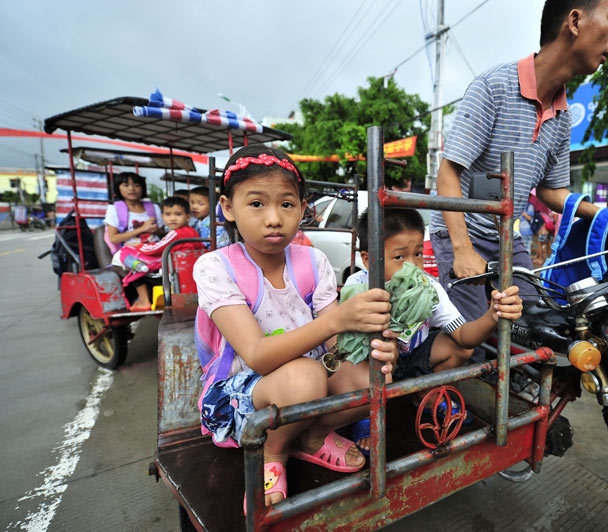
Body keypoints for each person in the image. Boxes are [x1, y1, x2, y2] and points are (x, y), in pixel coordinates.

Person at [429, 0, 608, 360]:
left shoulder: (564, 115)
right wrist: (461, 250)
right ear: (575, 21)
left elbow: (552, 191)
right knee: (471, 344)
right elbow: (448, 172)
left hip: (508, 236)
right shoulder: (494, 87)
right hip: (460, 232)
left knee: (540, 331)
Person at [192, 145, 399, 508]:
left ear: (303, 209)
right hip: (243, 393)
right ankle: (272, 453)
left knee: (374, 372)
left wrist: (372, 342)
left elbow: (336, 342)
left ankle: (313, 437)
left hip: (308, 383)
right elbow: (256, 356)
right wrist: (336, 319)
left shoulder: (313, 260)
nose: (273, 218)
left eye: (287, 204)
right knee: (306, 377)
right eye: (257, 204)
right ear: (227, 208)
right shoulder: (214, 267)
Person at [345, 208, 523, 452]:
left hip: (415, 360)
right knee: (368, 359)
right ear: (368, 260)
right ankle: (364, 416)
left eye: (418, 254)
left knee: (458, 348)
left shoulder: (429, 287)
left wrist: (492, 315)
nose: (413, 267)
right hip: (376, 364)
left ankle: (427, 397)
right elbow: (345, 344)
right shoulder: (357, 287)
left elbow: (464, 335)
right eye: (399, 257)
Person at [113, 196, 204, 311]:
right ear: (162, 217)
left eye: (178, 214)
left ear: (188, 217)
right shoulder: (193, 232)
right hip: (185, 271)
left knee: (136, 270)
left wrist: (138, 246)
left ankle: (144, 301)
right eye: (168, 214)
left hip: (173, 274)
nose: (172, 218)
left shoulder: (176, 233)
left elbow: (155, 249)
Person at [104, 172, 163, 251]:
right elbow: (113, 239)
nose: (131, 188)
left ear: (143, 188)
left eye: (137, 185)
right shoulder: (115, 210)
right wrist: (142, 228)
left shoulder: (154, 208)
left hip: (154, 250)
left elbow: (163, 235)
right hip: (130, 253)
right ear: (118, 188)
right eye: (126, 185)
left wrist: (156, 230)